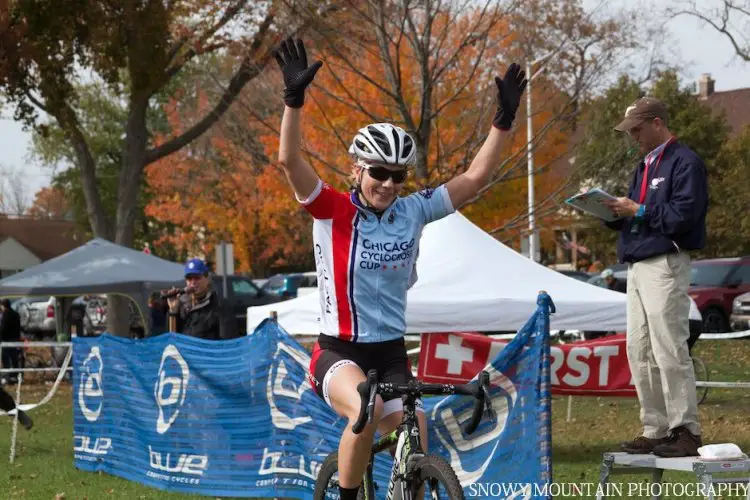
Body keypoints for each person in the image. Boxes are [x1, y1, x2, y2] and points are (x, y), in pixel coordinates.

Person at [272, 36, 527, 498]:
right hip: (338, 352)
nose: (388, 184)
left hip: (390, 352)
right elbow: (289, 160)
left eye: (398, 176)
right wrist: (294, 100)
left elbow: (474, 178)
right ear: (357, 171)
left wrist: (503, 122)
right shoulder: (332, 209)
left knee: (418, 433)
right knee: (365, 411)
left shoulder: (413, 211)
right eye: (378, 173)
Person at [603, 96, 708, 457]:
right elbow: (641, 213)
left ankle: (686, 430)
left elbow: (684, 216)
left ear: (657, 123)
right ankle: (656, 427)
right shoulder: (644, 164)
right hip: (637, 263)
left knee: (669, 346)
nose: (633, 135)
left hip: (665, 262)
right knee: (639, 348)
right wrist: (613, 211)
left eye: (637, 128)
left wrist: (640, 209)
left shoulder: (685, 162)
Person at [163, 258, 229, 340]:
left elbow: (227, 341)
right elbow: (170, 338)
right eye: (189, 279)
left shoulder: (219, 304)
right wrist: (173, 310)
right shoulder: (182, 304)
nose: (193, 282)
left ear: (207, 279)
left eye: (197, 277)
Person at [0, 298, 22, 384]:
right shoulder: (16, 314)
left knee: (6, 359)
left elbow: (3, 328)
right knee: (14, 359)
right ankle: (15, 376)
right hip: (15, 339)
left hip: (6, 340)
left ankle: (7, 376)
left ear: (2, 305)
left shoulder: (6, 314)